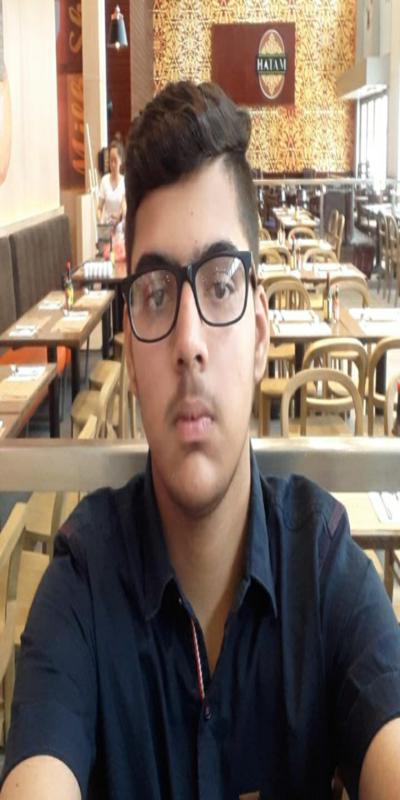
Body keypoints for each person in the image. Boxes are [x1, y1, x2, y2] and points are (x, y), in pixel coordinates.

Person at [2, 82, 400, 800]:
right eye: (157, 293)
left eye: (220, 285)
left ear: (260, 332)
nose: (188, 342)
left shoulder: (324, 568)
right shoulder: (80, 589)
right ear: (130, 348)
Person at [97, 138, 126, 230]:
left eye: (115, 160)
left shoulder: (124, 182)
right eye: (110, 160)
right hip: (106, 229)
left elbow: (124, 206)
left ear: (121, 161)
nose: (112, 164)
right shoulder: (104, 181)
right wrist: (100, 220)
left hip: (119, 229)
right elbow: (99, 208)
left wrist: (119, 216)